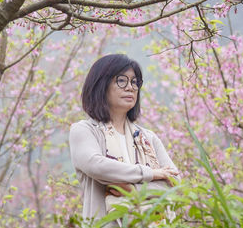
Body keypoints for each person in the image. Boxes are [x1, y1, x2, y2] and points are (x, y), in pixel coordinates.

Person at [69, 54, 180, 224]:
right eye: (121, 80)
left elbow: (174, 182)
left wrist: (133, 190)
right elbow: (96, 165)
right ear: (101, 85)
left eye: (134, 82)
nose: (130, 87)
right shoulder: (85, 130)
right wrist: (150, 174)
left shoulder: (148, 138)